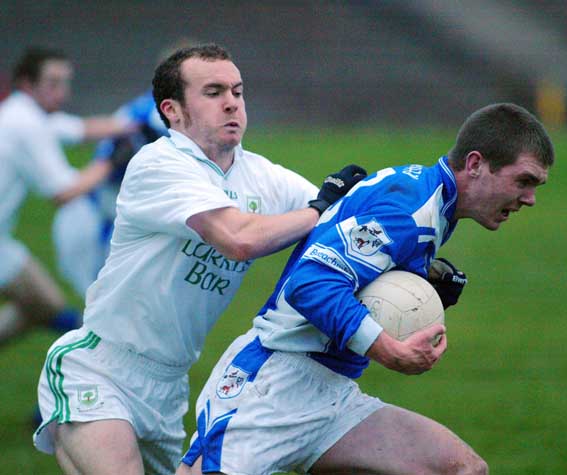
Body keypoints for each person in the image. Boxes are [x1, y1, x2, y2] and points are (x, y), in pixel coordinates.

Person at [33, 43, 365, 475]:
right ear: (171, 110)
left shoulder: (264, 177)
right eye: (213, 92)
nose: (231, 102)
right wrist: (318, 209)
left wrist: (417, 263)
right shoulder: (158, 163)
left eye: (238, 91)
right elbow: (237, 238)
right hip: (99, 368)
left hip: (171, 387)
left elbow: (349, 231)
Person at [178, 103, 554, 475]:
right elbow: (311, 283)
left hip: (332, 394)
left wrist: (421, 282)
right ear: (475, 165)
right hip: (273, 385)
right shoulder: (410, 210)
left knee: (461, 469)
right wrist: (390, 351)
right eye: (523, 181)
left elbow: (359, 271)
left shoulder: (431, 199)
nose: (530, 198)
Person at [0, 46, 136, 347]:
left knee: (42, 306)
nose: (62, 92)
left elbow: (81, 128)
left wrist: (134, 123)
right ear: (27, 84)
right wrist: (110, 163)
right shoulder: (26, 124)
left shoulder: (25, 114)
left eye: (65, 82)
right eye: (53, 83)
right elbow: (63, 192)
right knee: (48, 306)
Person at [52, 91, 167, 297]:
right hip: (97, 219)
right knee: (104, 301)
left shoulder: (145, 113)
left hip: (127, 219)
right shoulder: (147, 113)